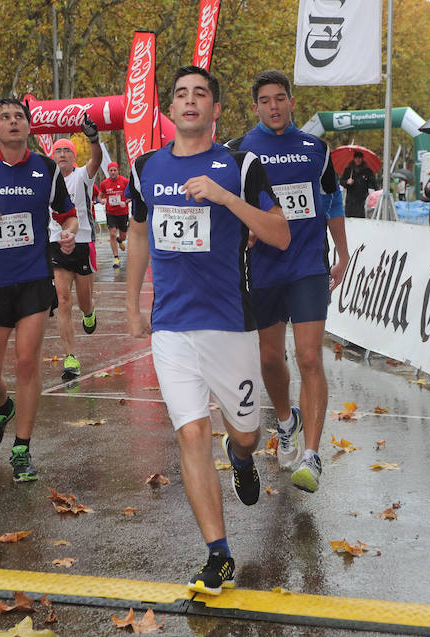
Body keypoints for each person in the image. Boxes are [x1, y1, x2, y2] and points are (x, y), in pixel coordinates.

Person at [125, 65, 290, 596]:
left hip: (229, 325)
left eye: (201, 95)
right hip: (171, 328)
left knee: (244, 432)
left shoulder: (242, 166)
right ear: (169, 110)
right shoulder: (145, 166)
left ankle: (241, 456)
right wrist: (132, 305)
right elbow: (137, 234)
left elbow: (281, 234)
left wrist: (225, 199)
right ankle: (217, 554)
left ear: (215, 110)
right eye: (180, 95)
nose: (190, 102)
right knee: (192, 433)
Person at [225, 69, 349, 494]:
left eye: (281, 98)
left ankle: (312, 457)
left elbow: (332, 201)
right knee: (270, 360)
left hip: (308, 266)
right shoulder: (238, 151)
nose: (274, 106)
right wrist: (248, 229)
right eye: (265, 100)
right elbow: (228, 207)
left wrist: (343, 253)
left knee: (310, 357)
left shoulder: (317, 148)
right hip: (262, 270)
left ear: (292, 102)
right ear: (255, 105)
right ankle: (285, 421)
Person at [0, 98, 78, 482]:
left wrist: (69, 232)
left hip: (34, 281)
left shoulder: (47, 168)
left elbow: (67, 213)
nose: (13, 122)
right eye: (5, 117)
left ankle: (21, 449)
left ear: (28, 126)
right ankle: (1, 407)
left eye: (19, 116)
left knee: (26, 363)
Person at [48, 118, 102, 380]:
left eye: (66, 150)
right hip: (57, 244)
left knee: (82, 302)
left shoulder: (82, 175)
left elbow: (97, 161)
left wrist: (94, 140)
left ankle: (90, 313)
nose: (61, 154)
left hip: (82, 243)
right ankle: (70, 357)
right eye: (57, 151)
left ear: (74, 156)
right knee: (63, 300)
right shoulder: (47, 180)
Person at [98, 161, 130, 268]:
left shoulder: (125, 181)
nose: (112, 172)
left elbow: (131, 195)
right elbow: (100, 195)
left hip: (122, 212)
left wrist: (125, 202)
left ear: (118, 171)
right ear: (108, 171)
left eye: (114, 170)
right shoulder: (104, 183)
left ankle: (120, 240)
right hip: (110, 212)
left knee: (123, 236)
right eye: (110, 170)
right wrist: (101, 200)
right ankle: (116, 258)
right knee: (112, 233)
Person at [340, 151, 377, 218]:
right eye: (356, 158)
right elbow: (342, 181)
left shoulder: (367, 171)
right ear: (354, 159)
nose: (358, 160)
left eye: (359, 158)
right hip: (350, 201)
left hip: (362, 201)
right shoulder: (348, 170)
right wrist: (347, 182)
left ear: (362, 159)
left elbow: (373, 183)